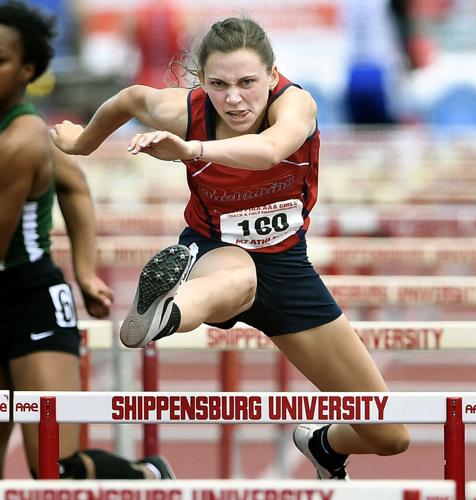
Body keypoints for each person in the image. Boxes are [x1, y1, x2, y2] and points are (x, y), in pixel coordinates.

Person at [51, 16, 410, 480]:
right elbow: (129, 99)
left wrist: (191, 151)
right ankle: (165, 309)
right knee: (239, 278)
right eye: (219, 85)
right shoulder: (184, 110)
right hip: (215, 252)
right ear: (201, 82)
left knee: (390, 436)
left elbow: (268, 150)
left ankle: (323, 443)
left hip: (287, 267)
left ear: (272, 74)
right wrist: (81, 143)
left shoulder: (296, 104)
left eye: (246, 82)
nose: (234, 98)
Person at [0, 1, 174, 479]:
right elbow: (74, 187)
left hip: (30, 300)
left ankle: (146, 477)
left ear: (26, 70)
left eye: (0, 61)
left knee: (56, 468)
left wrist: (77, 274)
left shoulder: (22, 138)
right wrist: (86, 269)